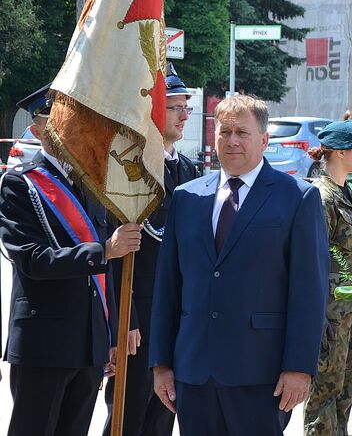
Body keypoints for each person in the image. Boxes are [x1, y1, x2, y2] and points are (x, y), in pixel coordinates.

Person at [149, 95, 330, 435]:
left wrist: (299, 367)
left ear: (263, 139)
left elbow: (310, 291)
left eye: (242, 133)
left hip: (261, 373)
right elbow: (168, 287)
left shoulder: (297, 197)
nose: (232, 140)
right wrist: (161, 363)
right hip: (194, 371)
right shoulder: (187, 198)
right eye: (225, 132)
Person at [0, 85, 142, 436]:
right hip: (44, 342)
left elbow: (105, 274)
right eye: (58, 120)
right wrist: (104, 251)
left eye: (77, 120)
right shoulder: (21, 185)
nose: (71, 129)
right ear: (36, 130)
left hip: (88, 342)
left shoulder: (91, 185)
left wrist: (109, 333)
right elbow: (32, 260)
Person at [102, 64, 198, 436]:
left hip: (177, 315)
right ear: (155, 111)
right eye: (175, 107)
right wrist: (126, 318)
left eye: (186, 107)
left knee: (165, 411)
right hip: (139, 316)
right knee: (128, 414)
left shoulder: (188, 170)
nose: (184, 115)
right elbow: (117, 251)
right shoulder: (129, 170)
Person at [305, 120, 352, 435]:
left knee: (347, 388)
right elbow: (311, 261)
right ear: (342, 152)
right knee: (324, 395)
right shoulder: (321, 197)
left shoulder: (349, 194)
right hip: (329, 314)